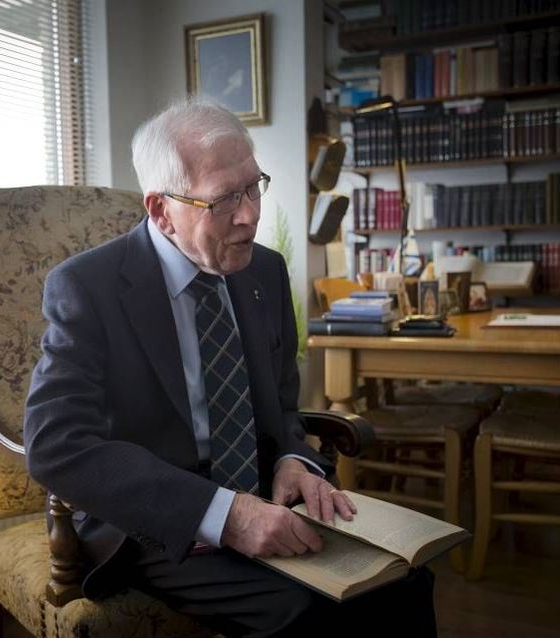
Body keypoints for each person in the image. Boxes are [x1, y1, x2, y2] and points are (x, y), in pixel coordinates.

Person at [24, 98, 436, 636]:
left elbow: (282, 405)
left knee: (405, 580)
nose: (250, 214)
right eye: (224, 199)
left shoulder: (263, 269)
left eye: (252, 186)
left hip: (266, 490)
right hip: (160, 518)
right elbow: (56, 443)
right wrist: (226, 515)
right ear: (160, 210)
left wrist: (294, 458)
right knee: (310, 613)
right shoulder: (88, 288)